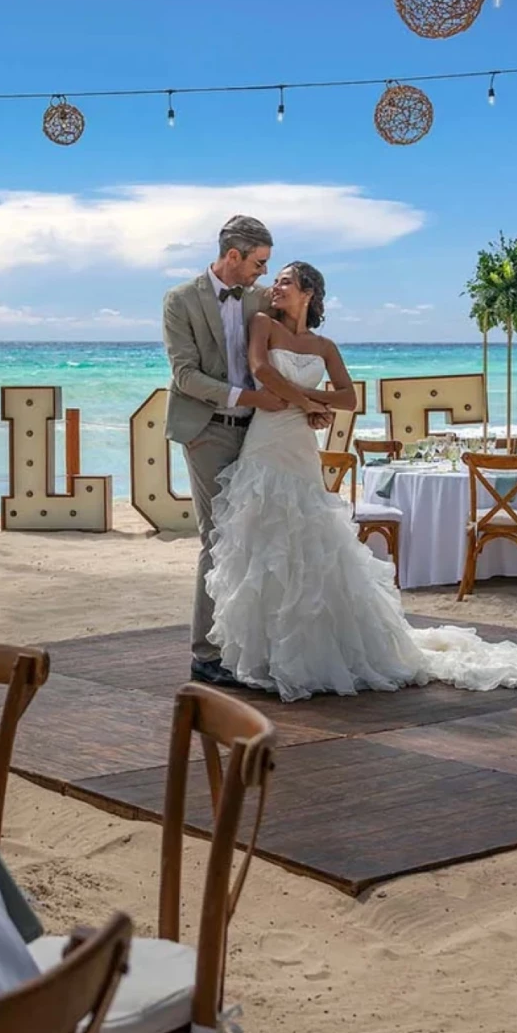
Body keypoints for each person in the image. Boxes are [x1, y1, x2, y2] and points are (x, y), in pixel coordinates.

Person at [204, 261, 517, 700]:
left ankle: (312, 653)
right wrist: (309, 405)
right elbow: (263, 373)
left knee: (307, 538)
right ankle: (264, 653)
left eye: (286, 282)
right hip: (267, 441)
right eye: (275, 281)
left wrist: (308, 403)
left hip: (297, 446)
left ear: (308, 292)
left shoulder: (324, 345)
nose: (276, 287)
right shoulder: (262, 324)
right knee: (263, 541)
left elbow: (349, 398)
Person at [161, 216, 344, 685]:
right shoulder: (180, 301)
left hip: (263, 432)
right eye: (259, 264)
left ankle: (253, 646)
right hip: (208, 428)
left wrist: (306, 404)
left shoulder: (262, 300)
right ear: (234, 256)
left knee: (261, 536)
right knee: (219, 536)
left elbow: (300, 332)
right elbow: (186, 377)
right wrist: (255, 398)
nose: (266, 275)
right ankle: (206, 654)